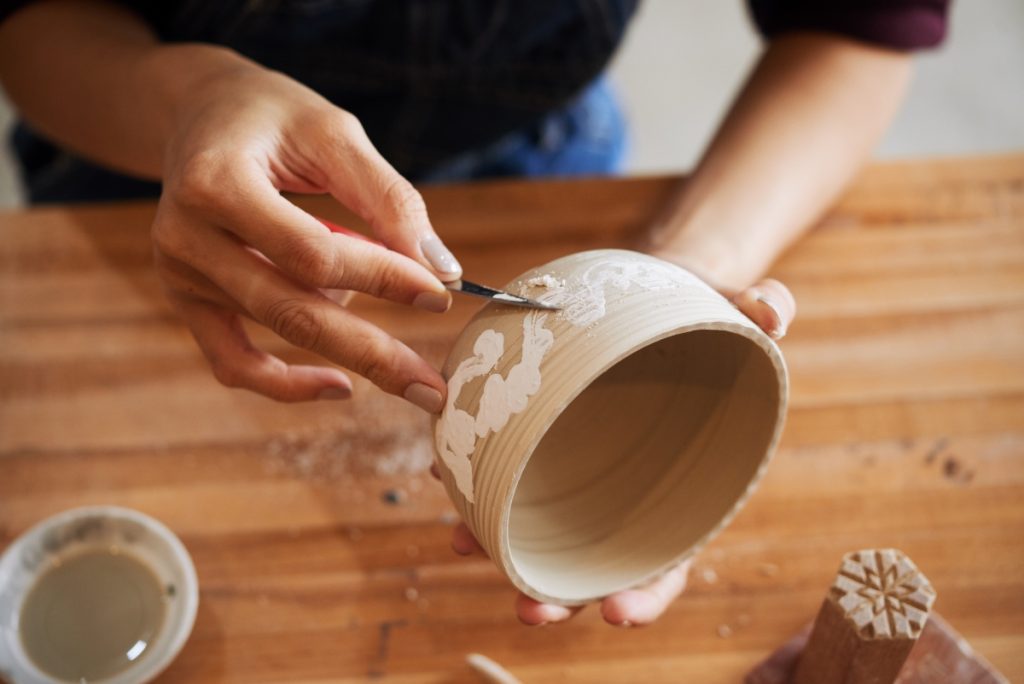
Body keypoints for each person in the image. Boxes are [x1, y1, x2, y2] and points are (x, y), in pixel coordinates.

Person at [0, 0, 949, 627]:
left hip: (534, 148)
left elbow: (861, 25)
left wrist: (687, 272)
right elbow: (31, 30)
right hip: (159, 174)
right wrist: (188, 97)